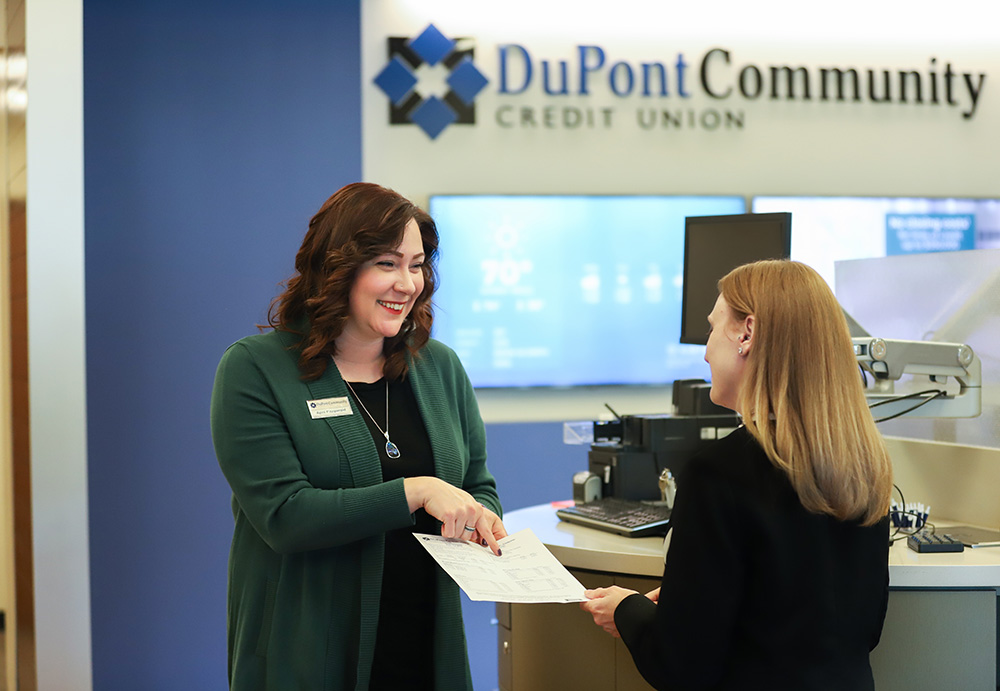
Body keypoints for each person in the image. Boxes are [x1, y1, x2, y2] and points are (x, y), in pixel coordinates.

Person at [211, 182, 506, 690]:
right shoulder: (255, 369)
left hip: (423, 646)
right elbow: (286, 517)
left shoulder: (438, 367)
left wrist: (481, 516)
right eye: (387, 264)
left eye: (416, 265)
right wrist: (417, 491)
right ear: (337, 268)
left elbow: (477, 482)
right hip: (307, 651)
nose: (407, 283)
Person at [581, 259, 893, 691]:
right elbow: (856, 628)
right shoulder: (863, 469)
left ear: (746, 333)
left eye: (712, 329)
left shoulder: (717, 475)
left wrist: (626, 610)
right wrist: (690, 604)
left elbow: (681, 667)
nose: (706, 351)